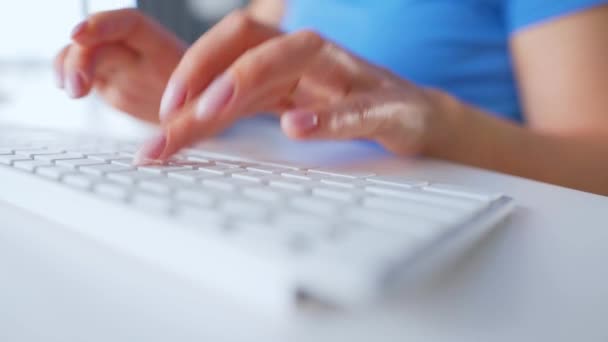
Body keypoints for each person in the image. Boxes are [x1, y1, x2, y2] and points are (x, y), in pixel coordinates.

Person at [54, 0, 608, 194]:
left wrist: (435, 121)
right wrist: (186, 93)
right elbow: (262, 87)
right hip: (302, 210)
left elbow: (598, 162)